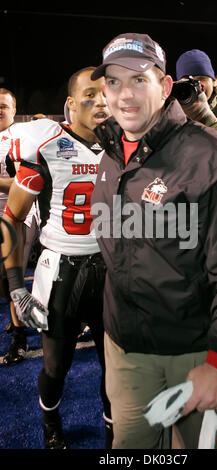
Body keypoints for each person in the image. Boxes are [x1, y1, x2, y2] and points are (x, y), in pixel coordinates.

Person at [89, 32, 217, 449]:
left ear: (166, 86)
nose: (124, 95)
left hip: (196, 351)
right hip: (126, 349)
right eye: (113, 82)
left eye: (139, 80)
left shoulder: (213, 158)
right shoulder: (109, 155)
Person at [1, 67, 112, 449]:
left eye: (106, 94)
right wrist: (17, 287)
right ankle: (51, 423)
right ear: (70, 104)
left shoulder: (129, 147)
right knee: (55, 365)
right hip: (61, 269)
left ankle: (116, 434)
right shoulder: (46, 151)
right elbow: (10, 218)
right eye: (90, 94)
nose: (101, 101)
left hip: (112, 271)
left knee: (117, 369)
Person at [0, 88, 38, 365]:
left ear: (14, 110)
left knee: (12, 273)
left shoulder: (23, 137)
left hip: (18, 214)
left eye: (4, 106)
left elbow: (25, 182)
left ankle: (20, 337)